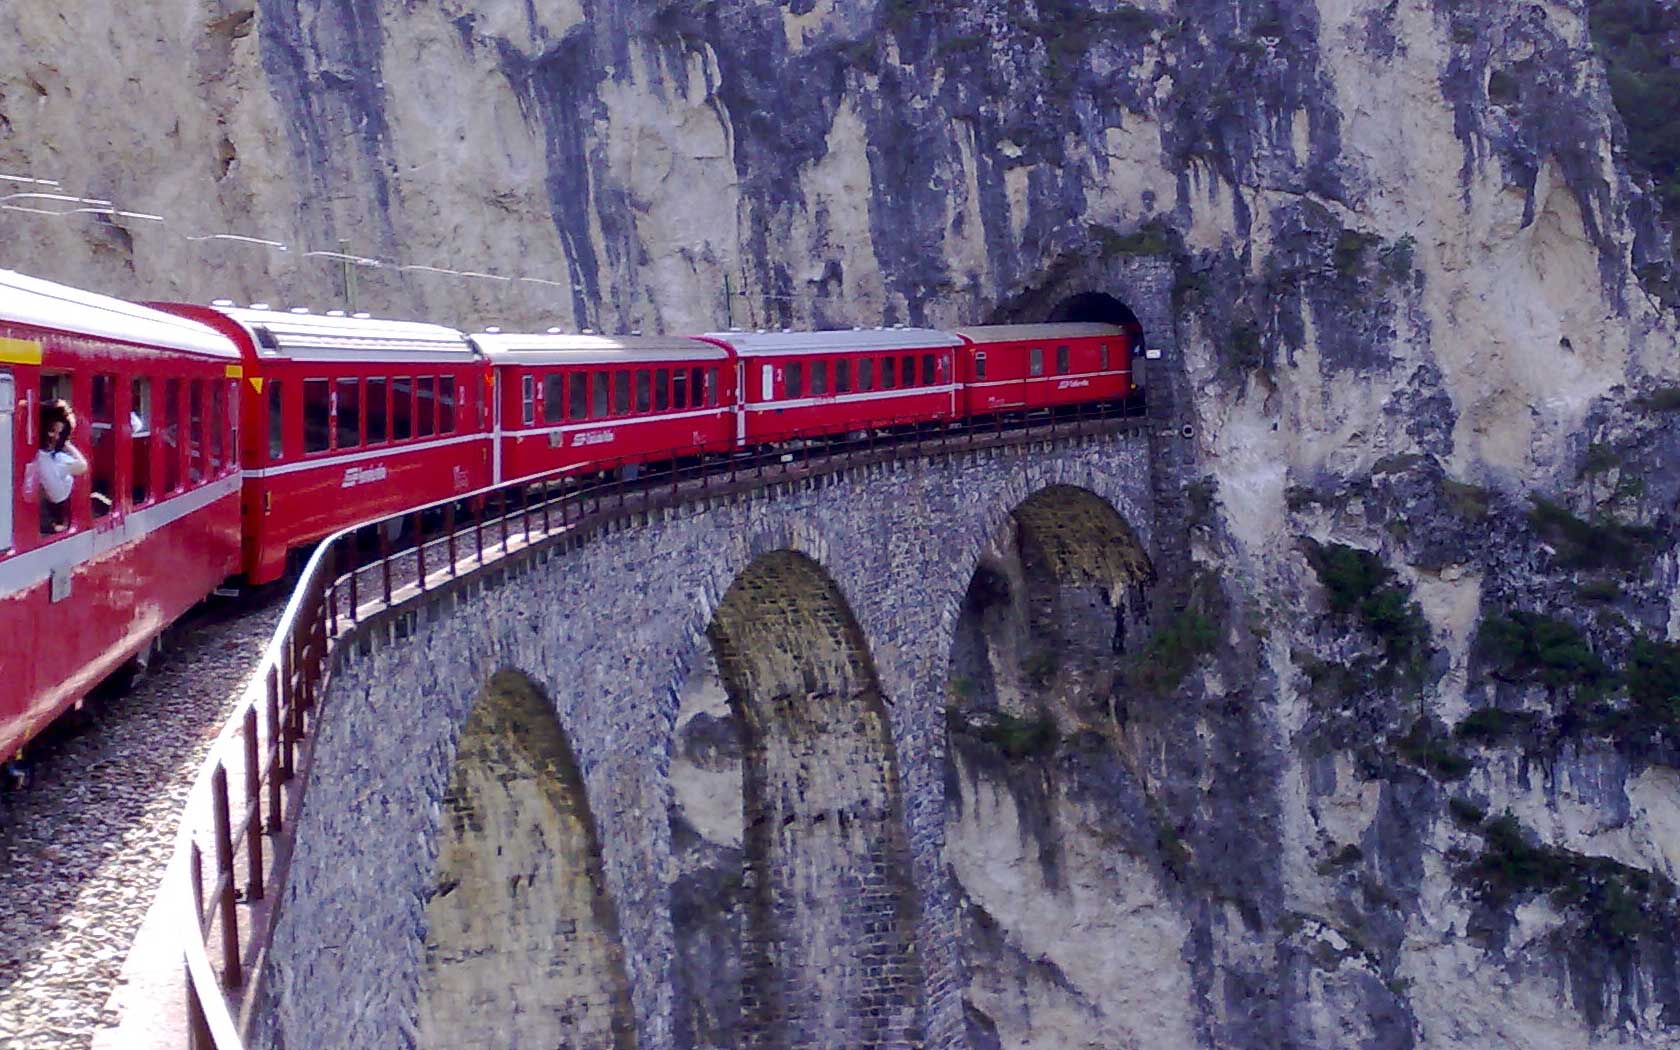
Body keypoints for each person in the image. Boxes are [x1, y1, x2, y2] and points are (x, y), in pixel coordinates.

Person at [32, 398, 88, 533]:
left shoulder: (50, 457)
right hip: (50, 519)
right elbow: (82, 466)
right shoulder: (49, 461)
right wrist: (67, 444)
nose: (57, 437)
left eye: (60, 433)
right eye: (53, 431)